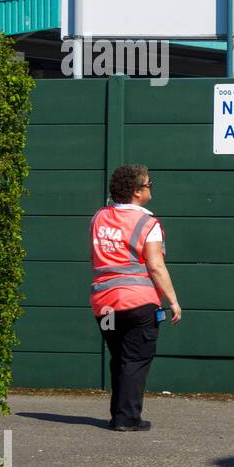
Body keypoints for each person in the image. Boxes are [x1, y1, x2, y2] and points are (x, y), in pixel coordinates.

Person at [89, 164, 182, 431]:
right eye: (148, 184)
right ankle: (128, 419)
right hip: (138, 302)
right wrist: (173, 300)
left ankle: (118, 414)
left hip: (104, 304)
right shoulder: (147, 223)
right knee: (136, 359)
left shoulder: (99, 218)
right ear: (136, 191)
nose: (151, 187)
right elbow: (155, 266)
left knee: (119, 357)